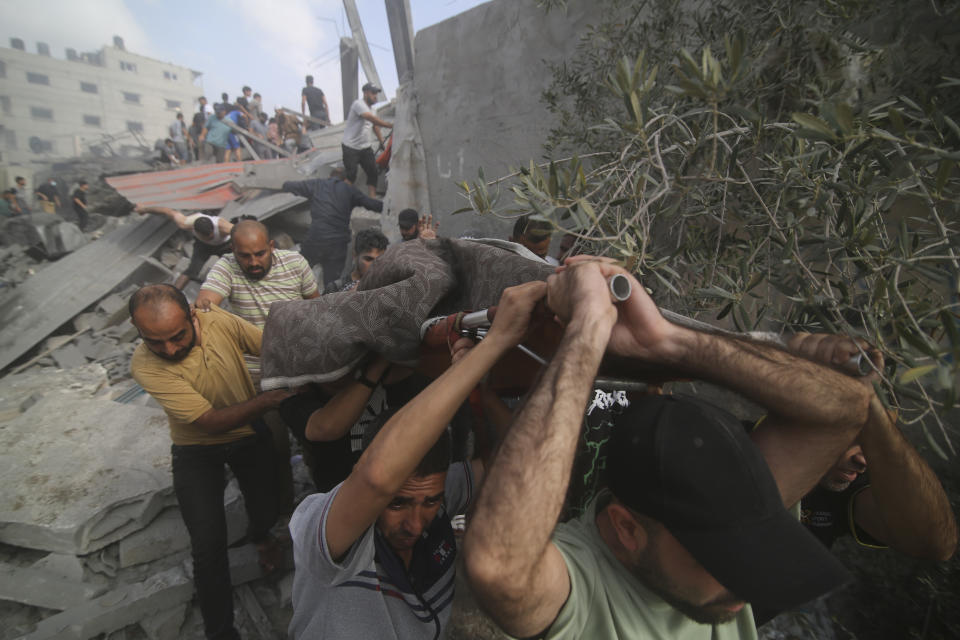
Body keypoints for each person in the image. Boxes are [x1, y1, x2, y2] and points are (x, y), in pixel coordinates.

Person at [463, 257, 879, 640]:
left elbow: (846, 409)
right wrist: (587, 328)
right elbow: (499, 566)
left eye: (752, 546)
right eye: (722, 557)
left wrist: (668, 342)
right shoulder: (586, 588)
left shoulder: (737, 508)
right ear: (627, 529)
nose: (750, 578)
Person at [287, 281, 541, 639]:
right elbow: (375, 478)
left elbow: (512, 458)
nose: (416, 524)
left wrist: (480, 390)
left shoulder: (438, 498)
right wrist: (497, 342)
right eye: (398, 504)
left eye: (430, 502)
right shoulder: (325, 534)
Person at [129, 284, 291, 640]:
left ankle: (262, 537)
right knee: (207, 546)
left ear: (192, 315)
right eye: (155, 342)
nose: (168, 349)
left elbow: (267, 345)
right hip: (195, 449)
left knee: (265, 507)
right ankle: (221, 632)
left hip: (248, 435)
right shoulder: (143, 366)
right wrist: (268, 400)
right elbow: (210, 422)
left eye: (176, 336)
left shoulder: (217, 320)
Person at [785, 333, 957, 558]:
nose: (864, 460)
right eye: (855, 434)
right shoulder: (743, 443)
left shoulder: (848, 489)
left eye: (873, 442)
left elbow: (937, 545)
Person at [280, 169, 383, 286]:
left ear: (329, 176)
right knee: (332, 284)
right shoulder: (349, 189)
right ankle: (327, 301)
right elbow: (371, 204)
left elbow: (289, 186)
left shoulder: (317, 184)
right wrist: (390, 207)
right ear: (345, 180)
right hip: (338, 244)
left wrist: (284, 185)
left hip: (316, 239)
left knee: (298, 272)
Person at [135, 205, 233, 289]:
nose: (209, 238)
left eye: (211, 236)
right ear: (195, 231)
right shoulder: (186, 223)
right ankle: (172, 295)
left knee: (235, 264)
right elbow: (168, 211)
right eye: (206, 237)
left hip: (225, 245)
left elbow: (245, 232)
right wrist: (143, 209)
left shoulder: (223, 226)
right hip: (203, 247)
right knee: (192, 271)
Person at [342, 82, 393, 198]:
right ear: (365, 93)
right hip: (350, 147)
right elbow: (370, 118)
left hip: (365, 148)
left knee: (373, 172)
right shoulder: (358, 104)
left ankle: (372, 199)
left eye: (376, 93)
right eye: (373, 93)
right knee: (351, 175)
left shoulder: (373, 110)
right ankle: (341, 198)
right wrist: (390, 125)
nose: (376, 96)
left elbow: (374, 126)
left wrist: (382, 142)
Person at [322, 228, 387, 294]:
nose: (374, 264)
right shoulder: (335, 289)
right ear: (355, 255)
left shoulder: (385, 287)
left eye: (379, 260)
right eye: (368, 259)